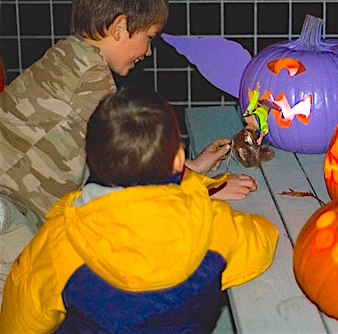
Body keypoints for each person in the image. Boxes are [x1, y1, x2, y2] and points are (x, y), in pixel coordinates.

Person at [0, 0, 255, 298]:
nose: (148, 52)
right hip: (10, 215)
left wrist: (193, 167)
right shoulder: (90, 78)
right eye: (149, 38)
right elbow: (133, 165)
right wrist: (204, 188)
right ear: (119, 27)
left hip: (19, 207)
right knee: (27, 303)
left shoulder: (71, 56)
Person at [0, 87, 279, 332]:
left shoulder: (62, 240)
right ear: (180, 160)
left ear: (92, 158)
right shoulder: (213, 224)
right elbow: (265, 240)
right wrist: (202, 193)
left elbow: (20, 320)